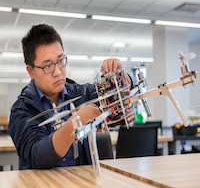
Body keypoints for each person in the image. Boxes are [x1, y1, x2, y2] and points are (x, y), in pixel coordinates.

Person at [9, 24, 132, 169]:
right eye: (47, 66)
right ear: (30, 71)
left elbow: (116, 94)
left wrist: (120, 76)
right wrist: (74, 123)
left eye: (61, 61)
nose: (58, 72)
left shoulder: (80, 94)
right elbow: (37, 156)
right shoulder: (22, 111)